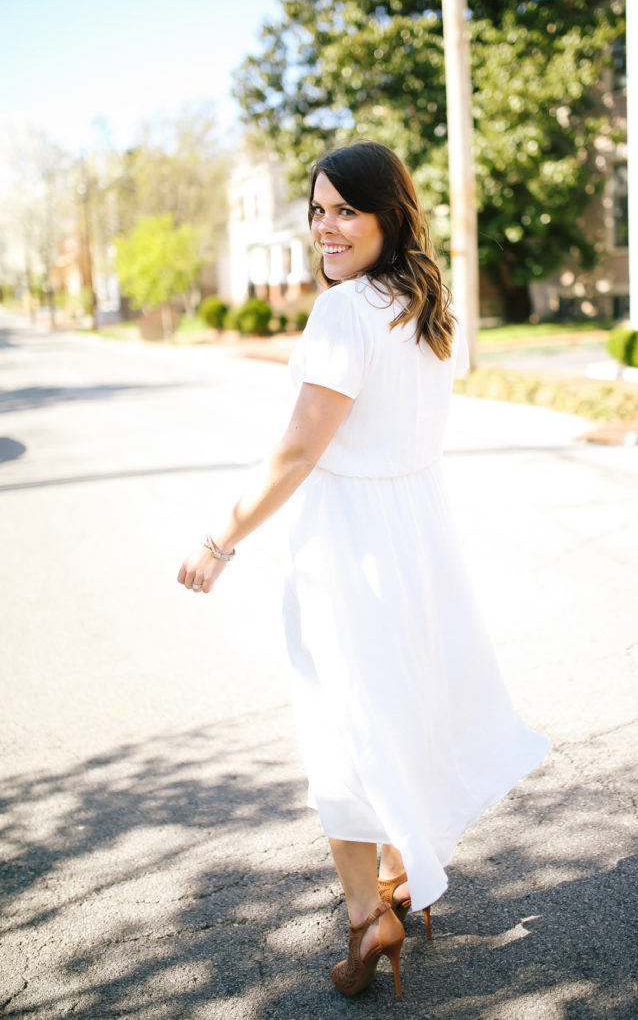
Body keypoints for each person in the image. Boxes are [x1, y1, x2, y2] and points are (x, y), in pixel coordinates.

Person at [177, 141, 549, 999]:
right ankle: (400, 875)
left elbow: (301, 448)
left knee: (343, 727)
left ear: (389, 213)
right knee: (401, 704)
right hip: (418, 536)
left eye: (346, 208)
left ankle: (366, 912)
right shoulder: (424, 303)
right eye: (317, 209)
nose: (326, 226)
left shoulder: (347, 311)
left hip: (352, 544)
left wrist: (218, 540)